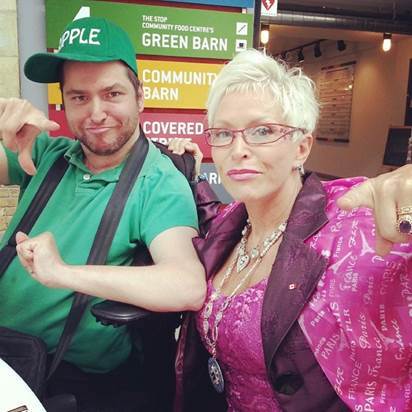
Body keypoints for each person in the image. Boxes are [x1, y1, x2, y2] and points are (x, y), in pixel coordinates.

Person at [170, 49, 412, 411]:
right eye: (223, 133)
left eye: (262, 131)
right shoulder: (230, 222)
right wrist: (186, 174)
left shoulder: (349, 229)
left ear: (302, 146)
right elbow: (209, 213)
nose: (238, 150)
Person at [0, 17, 205, 409]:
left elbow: (187, 284)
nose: (95, 113)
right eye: (79, 97)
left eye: (112, 93)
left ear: (139, 98)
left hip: (66, 380)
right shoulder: (46, 152)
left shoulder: (158, 181)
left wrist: (62, 273)